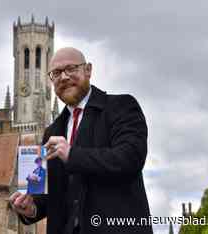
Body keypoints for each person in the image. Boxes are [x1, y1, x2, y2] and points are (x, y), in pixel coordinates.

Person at [9, 47, 153, 234]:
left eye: (71, 68)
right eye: (56, 73)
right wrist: (31, 209)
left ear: (88, 70)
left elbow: (131, 158)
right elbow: (52, 196)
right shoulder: (51, 131)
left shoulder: (120, 106)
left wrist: (72, 155)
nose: (64, 77)